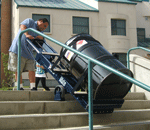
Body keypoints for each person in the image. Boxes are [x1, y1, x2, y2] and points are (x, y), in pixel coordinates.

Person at [8, 18, 49, 90]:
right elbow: (23, 26)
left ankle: (33, 86)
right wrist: (27, 34)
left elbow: (43, 40)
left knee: (31, 69)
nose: (44, 28)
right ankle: (19, 86)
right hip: (18, 49)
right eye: (44, 26)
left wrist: (40, 37)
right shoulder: (30, 22)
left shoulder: (40, 31)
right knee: (18, 69)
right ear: (40, 21)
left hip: (29, 52)